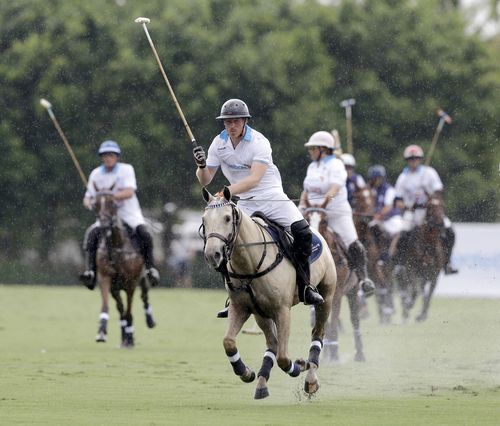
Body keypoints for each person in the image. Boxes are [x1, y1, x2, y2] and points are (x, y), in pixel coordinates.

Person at [193, 98, 324, 317]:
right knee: (227, 239)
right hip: (244, 202)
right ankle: (233, 296)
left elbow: (255, 179)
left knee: (302, 232)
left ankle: (305, 286)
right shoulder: (219, 143)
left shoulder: (259, 142)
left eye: (235, 121)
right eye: (227, 122)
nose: (231, 125)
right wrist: (201, 165)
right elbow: (205, 180)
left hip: (271, 197)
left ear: (244, 120)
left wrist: (227, 191)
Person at [299, 131, 375, 296]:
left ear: (323, 149)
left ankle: (364, 280)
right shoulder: (312, 166)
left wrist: (323, 204)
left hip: (336, 213)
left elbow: (335, 187)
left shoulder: (336, 165)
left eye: (313, 148)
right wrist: (302, 205)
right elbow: (306, 190)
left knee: (354, 244)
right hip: (313, 213)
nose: (310, 152)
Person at [79, 140, 160, 289]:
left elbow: (129, 192)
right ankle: (90, 271)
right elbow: (87, 197)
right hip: (106, 216)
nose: (108, 158)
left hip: (129, 213)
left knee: (145, 233)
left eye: (111, 155)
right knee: (91, 235)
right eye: (105, 155)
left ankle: (150, 268)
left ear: (117, 156)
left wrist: (108, 197)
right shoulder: (96, 174)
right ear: (102, 157)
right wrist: (90, 203)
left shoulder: (126, 170)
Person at [394, 144, 458, 274]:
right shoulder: (403, 178)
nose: (414, 161)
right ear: (407, 161)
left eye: (416, 158)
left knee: (449, 231)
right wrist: (407, 205)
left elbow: (439, 191)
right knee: (404, 233)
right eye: (411, 159)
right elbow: (397, 201)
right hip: (413, 211)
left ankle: (448, 262)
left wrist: (429, 195)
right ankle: (400, 264)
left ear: (421, 159)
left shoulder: (429, 173)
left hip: (431, 210)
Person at [367, 164, 403, 263]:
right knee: (369, 228)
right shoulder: (373, 190)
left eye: (376, 179)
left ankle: (389, 253)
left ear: (381, 178)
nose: (374, 181)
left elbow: (388, 206)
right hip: (380, 219)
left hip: (392, 219)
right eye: (372, 179)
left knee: (396, 232)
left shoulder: (389, 189)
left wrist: (378, 215)